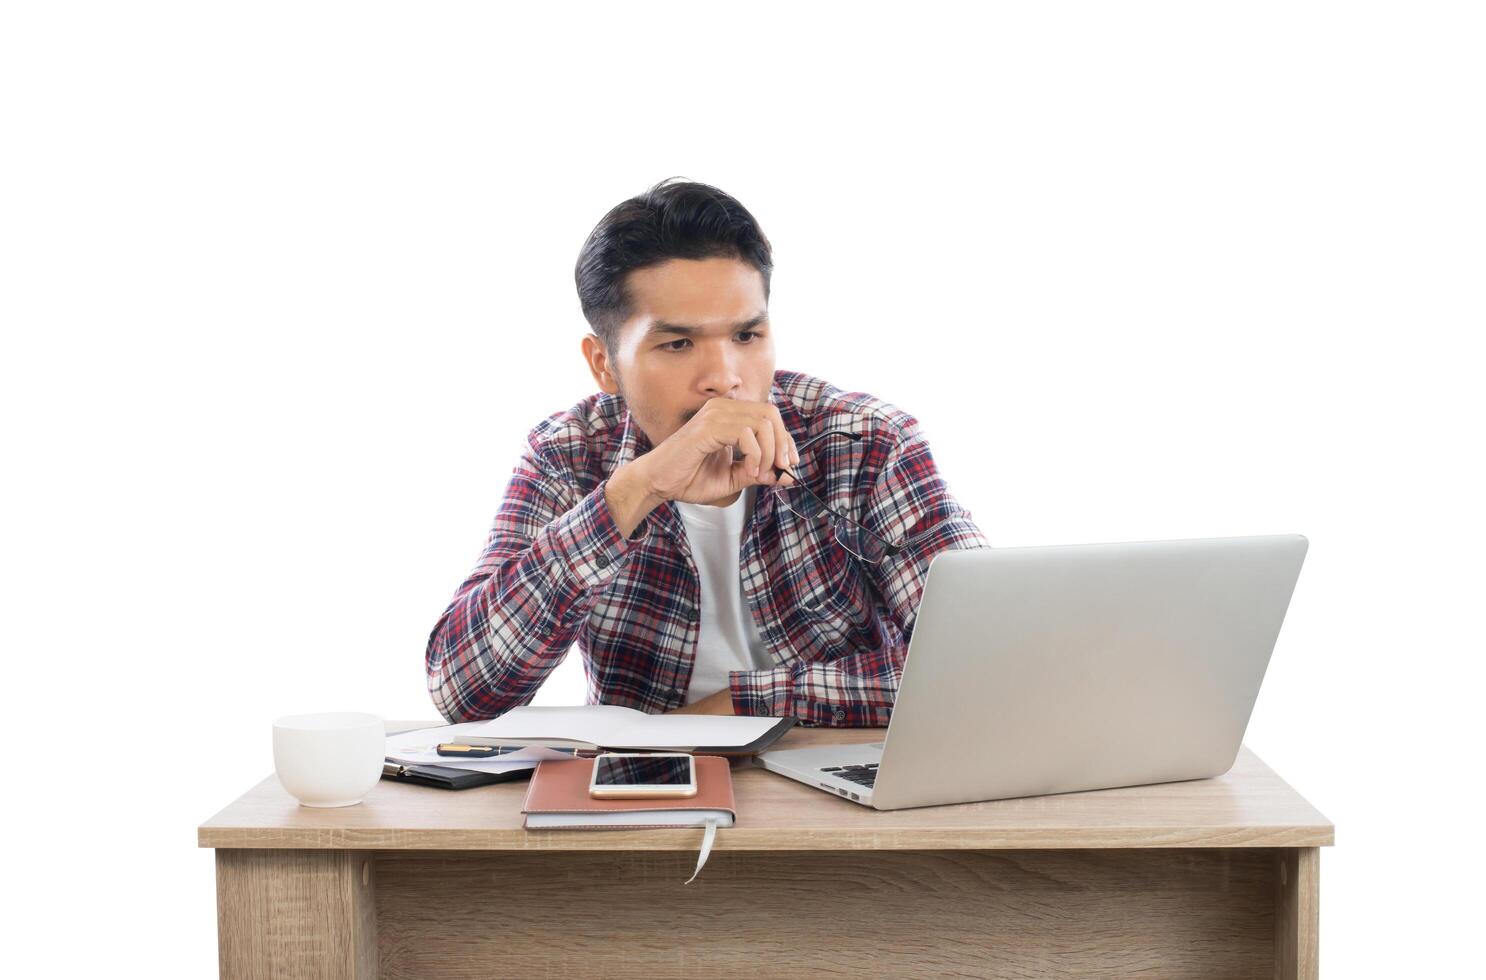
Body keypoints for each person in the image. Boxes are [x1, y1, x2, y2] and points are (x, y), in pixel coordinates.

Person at [426, 178, 990, 726]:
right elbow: (461, 690)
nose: (724, 379)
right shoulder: (569, 454)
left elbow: (985, 660)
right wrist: (633, 491)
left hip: (843, 782)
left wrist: (744, 703)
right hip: (649, 794)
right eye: (677, 344)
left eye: (747, 337)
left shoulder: (864, 443)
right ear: (604, 364)